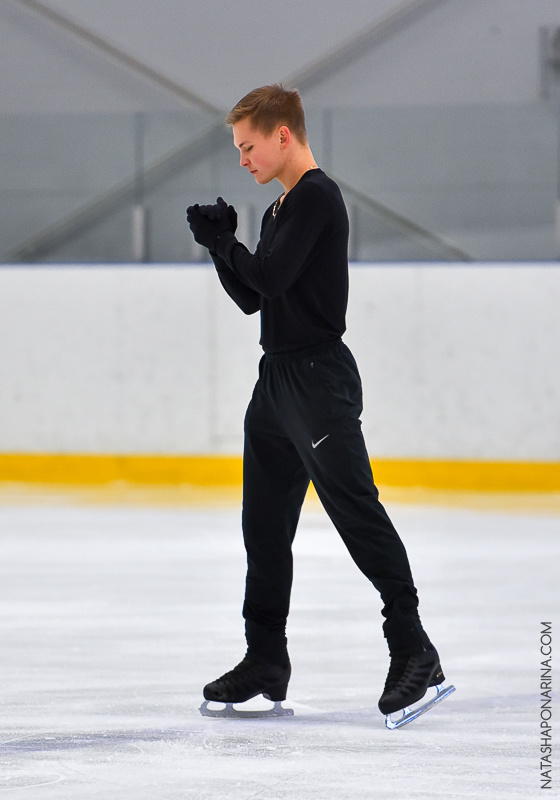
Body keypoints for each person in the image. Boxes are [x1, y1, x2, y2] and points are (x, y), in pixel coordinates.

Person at [186, 84, 447, 720]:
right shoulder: (279, 211)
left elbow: (268, 278)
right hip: (276, 383)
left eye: (249, 147)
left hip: (318, 381)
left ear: (284, 135)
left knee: (354, 510)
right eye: (239, 150)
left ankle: (414, 648)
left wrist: (226, 245)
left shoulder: (316, 199)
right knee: (263, 524)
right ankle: (265, 657)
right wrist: (222, 247)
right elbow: (255, 299)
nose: (243, 160)